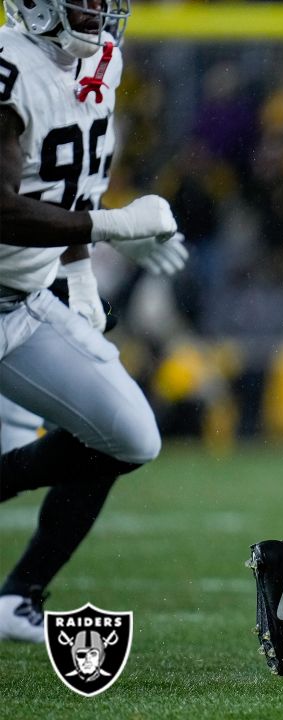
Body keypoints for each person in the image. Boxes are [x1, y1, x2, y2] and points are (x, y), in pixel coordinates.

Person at [0, 0, 186, 641]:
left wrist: (79, 270)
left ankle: (17, 596)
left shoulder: (103, 61)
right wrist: (109, 230)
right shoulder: (7, 68)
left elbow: (70, 181)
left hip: (18, 303)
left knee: (129, 435)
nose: (100, 11)